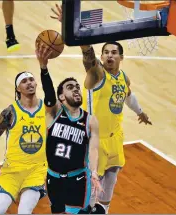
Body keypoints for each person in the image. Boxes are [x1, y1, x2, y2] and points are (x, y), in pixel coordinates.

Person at [51, 5, 152, 214]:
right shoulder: (98, 75)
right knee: (88, 193)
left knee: (109, 186)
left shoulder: (123, 78)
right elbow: (88, 55)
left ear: (121, 58)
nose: (109, 56)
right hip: (94, 140)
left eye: (114, 53)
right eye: (106, 52)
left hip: (115, 139)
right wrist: (72, 27)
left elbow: (128, 96)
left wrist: (140, 112)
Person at [35, 43, 104, 214]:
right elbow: (49, 95)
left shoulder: (90, 121)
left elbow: (94, 149)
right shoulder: (54, 113)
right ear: (61, 97)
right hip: (53, 178)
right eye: (70, 87)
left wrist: (94, 172)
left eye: (77, 87)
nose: (76, 90)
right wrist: (44, 68)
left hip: (78, 179)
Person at [0, 70, 47, 214]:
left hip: (36, 171)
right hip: (11, 171)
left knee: (24, 212)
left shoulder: (47, 109)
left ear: (36, 83)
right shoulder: (10, 112)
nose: (29, 83)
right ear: (18, 88)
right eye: (24, 81)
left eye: (31, 79)